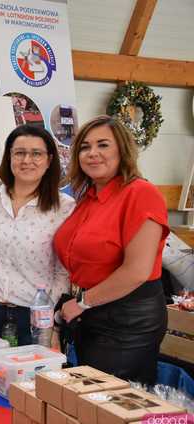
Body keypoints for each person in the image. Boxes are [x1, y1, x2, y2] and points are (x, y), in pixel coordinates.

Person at [53, 115, 169, 384]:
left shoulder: (141, 193)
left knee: (107, 403)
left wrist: (82, 302)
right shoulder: (87, 197)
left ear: (122, 150)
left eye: (103, 145)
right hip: (90, 313)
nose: (92, 153)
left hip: (127, 320)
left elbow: (137, 271)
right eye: (85, 147)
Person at [0, 125, 75, 346]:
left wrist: (52, 323)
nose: (27, 160)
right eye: (19, 152)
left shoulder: (64, 207)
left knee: (28, 380)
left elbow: (63, 272)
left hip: (34, 320)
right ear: (9, 157)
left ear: (49, 160)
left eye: (36, 153)